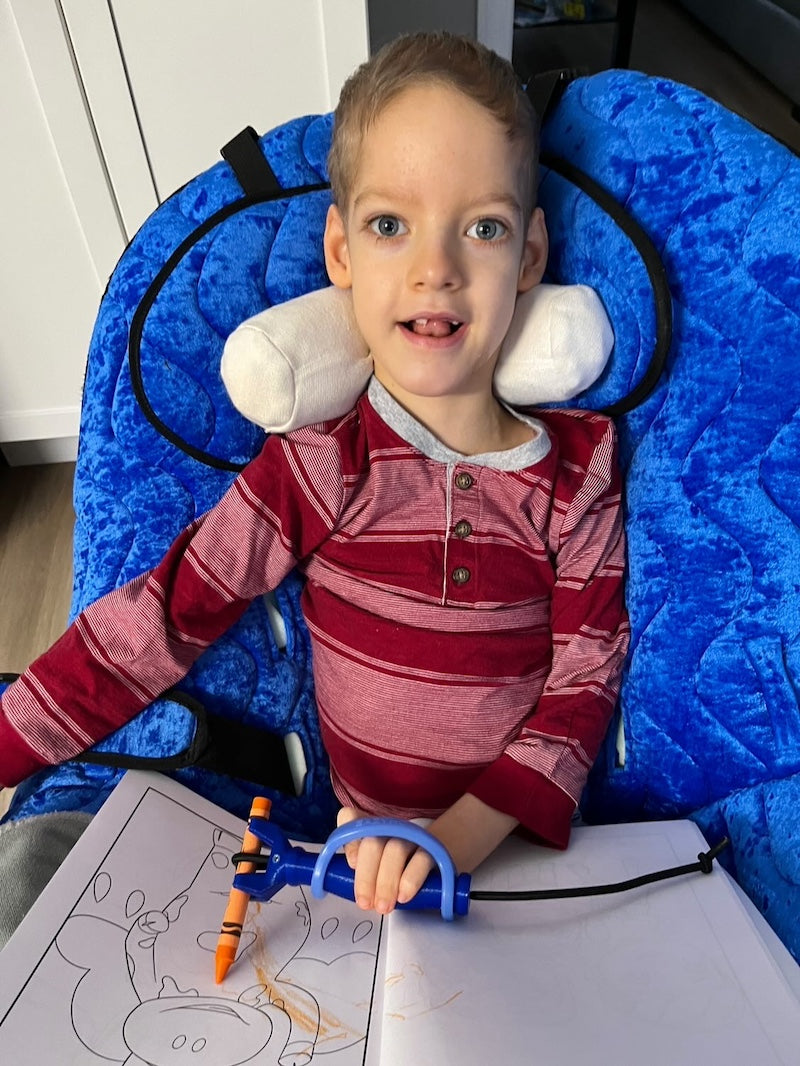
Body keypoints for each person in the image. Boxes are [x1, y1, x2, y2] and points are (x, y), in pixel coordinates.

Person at [0, 32, 629, 919]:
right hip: (341, 865)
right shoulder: (320, 465)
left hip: (524, 865)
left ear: (528, 258)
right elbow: (164, 615)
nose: (435, 268)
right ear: (340, 252)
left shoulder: (577, 470)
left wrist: (453, 841)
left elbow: (585, 680)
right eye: (389, 226)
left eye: (481, 228)